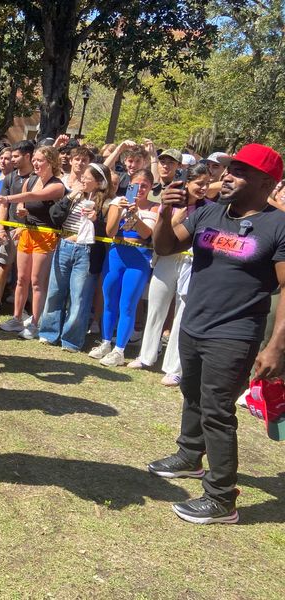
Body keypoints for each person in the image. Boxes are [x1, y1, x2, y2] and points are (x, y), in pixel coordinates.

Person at [147, 143, 285, 525]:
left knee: (218, 412)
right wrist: (166, 212)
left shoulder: (278, 225)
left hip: (236, 333)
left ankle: (222, 498)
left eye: (239, 171)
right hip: (194, 324)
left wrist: (275, 347)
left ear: (265, 182)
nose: (227, 175)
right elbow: (165, 245)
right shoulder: (208, 212)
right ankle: (190, 456)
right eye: (229, 168)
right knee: (192, 394)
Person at [128, 163, 212, 385]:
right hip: (166, 259)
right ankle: (146, 356)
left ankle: (174, 367)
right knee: (156, 307)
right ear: (187, 183)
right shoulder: (170, 203)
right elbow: (158, 236)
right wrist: (175, 218)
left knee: (182, 314)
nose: (203, 188)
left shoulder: (209, 208)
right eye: (199, 183)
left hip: (191, 263)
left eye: (207, 184)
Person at [39, 163, 113, 351]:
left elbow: (108, 231)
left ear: (98, 182)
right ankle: (49, 332)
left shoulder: (105, 203)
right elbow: (54, 216)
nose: (82, 180)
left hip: (87, 251)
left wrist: (97, 220)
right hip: (64, 244)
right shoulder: (74, 197)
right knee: (55, 291)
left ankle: (71, 339)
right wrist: (70, 195)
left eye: (87, 178)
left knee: (79, 297)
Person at [88, 169, 158, 366]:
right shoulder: (117, 202)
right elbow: (110, 231)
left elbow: (146, 234)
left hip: (139, 259)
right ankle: (105, 342)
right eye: (136, 185)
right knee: (109, 300)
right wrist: (119, 211)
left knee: (127, 304)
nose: (140, 189)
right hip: (116, 254)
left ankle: (120, 349)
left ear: (151, 187)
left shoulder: (155, 208)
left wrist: (135, 217)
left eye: (145, 185)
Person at [0, 146, 66, 339]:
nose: (35, 163)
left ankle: (35, 323)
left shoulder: (57, 184)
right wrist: (20, 214)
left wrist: (8, 198)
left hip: (45, 236)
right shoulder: (31, 180)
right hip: (27, 233)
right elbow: (24, 202)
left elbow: (34, 197)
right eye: (34, 159)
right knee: (21, 279)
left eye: (40, 160)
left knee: (37, 282)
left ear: (51, 162)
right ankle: (17, 318)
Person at [0, 141, 35, 317]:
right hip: (9, 229)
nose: (12, 160)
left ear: (27, 156)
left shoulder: (37, 178)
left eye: (16, 156)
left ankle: (22, 307)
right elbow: (3, 204)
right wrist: (1, 228)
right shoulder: (10, 177)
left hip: (29, 231)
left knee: (24, 272)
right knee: (3, 264)